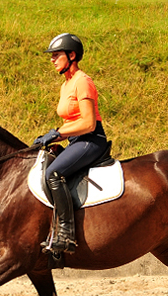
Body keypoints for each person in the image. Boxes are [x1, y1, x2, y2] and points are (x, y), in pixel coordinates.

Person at [35, 33, 108, 255]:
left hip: (90, 140)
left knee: (54, 174)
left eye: (56, 55)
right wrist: (56, 138)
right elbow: (72, 122)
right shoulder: (66, 84)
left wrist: (57, 133)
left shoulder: (82, 82)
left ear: (72, 55)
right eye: (52, 56)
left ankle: (66, 233)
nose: (52, 59)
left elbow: (87, 123)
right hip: (76, 141)